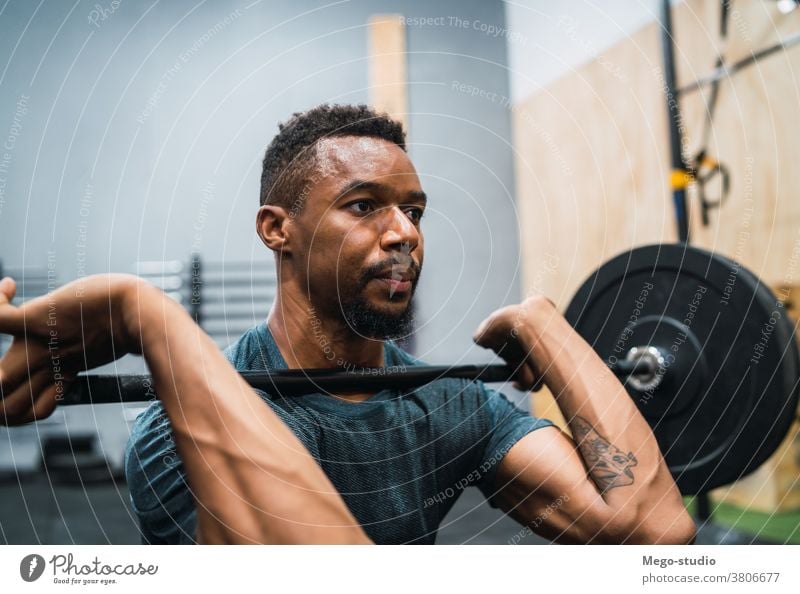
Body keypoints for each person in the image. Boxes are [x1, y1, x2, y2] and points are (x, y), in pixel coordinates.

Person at [0, 104, 695, 545]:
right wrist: (145, 314)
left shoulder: (447, 406)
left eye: (414, 211)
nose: (403, 234)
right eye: (365, 206)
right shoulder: (179, 435)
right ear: (279, 230)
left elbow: (657, 531)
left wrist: (549, 328)